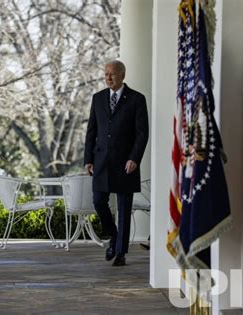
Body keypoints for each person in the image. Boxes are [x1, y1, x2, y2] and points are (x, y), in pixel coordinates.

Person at [84, 60, 149, 267]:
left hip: (125, 163)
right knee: (98, 201)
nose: (108, 78)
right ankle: (114, 236)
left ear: (122, 75)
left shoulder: (137, 99)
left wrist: (134, 158)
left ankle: (120, 253)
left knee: (124, 206)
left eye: (112, 74)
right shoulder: (98, 98)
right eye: (105, 74)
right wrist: (88, 160)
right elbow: (91, 132)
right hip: (101, 161)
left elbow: (142, 134)